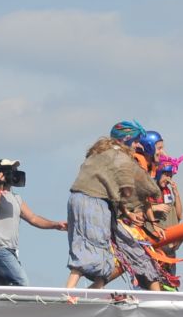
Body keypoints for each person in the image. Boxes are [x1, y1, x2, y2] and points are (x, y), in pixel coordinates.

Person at [66, 123, 156, 289]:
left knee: (128, 247)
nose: (138, 145)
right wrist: (143, 192)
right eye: (136, 141)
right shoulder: (120, 157)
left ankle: (95, 290)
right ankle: (68, 292)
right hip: (93, 203)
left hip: (88, 202)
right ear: (127, 139)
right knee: (91, 245)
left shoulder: (99, 153)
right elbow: (127, 190)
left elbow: (111, 188)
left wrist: (126, 212)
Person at [0, 168, 65, 287]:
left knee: (1, 290)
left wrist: (55, 225)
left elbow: (33, 218)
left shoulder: (16, 198)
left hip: (11, 250)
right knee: (22, 282)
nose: (12, 174)